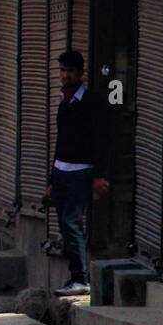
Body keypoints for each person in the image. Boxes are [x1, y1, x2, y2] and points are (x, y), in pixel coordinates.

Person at [46, 50, 111, 296]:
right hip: (61, 171)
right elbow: (60, 142)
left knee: (72, 223)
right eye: (62, 71)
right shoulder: (65, 102)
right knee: (64, 224)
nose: (65, 75)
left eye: (70, 71)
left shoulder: (91, 103)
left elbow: (101, 141)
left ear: (80, 73)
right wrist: (52, 180)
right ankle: (75, 276)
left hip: (81, 172)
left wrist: (98, 175)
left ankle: (81, 279)